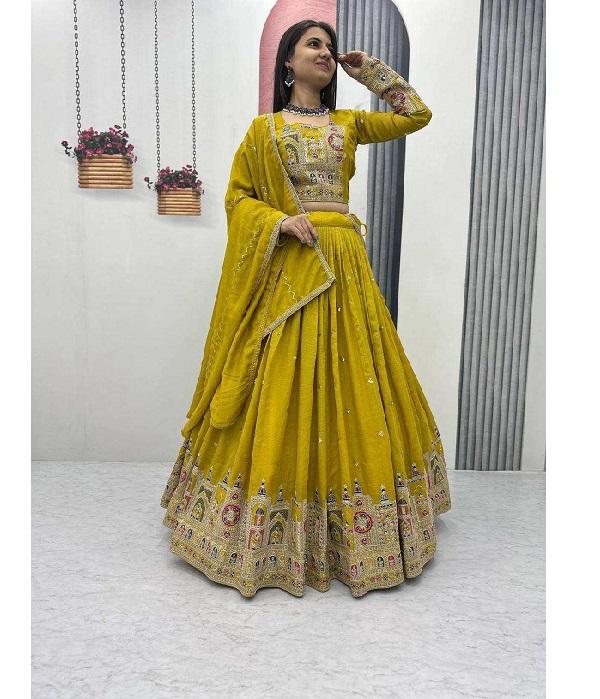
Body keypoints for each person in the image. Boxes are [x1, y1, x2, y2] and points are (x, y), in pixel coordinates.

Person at [160, 19, 451, 599]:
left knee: (357, 374)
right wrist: (277, 221)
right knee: (280, 379)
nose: (324, 52)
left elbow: (417, 115)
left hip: (343, 259)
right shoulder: (264, 131)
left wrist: (372, 72)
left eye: (328, 45)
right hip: (293, 261)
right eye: (312, 44)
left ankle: (354, 527)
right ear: (287, 62)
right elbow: (238, 198)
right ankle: (265, 524)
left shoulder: (349, 123)